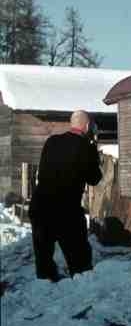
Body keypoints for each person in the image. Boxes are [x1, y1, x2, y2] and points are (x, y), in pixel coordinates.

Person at [29, 110, 102, 281]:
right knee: (79, 260)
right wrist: (93, 151)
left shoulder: (52, 141)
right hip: (66, 209)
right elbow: (94, 178)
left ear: (71, 123)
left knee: (43, 258)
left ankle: (45, 290)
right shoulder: (86, 146)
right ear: (87, 126)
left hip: (40, 205)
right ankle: (79, 292)